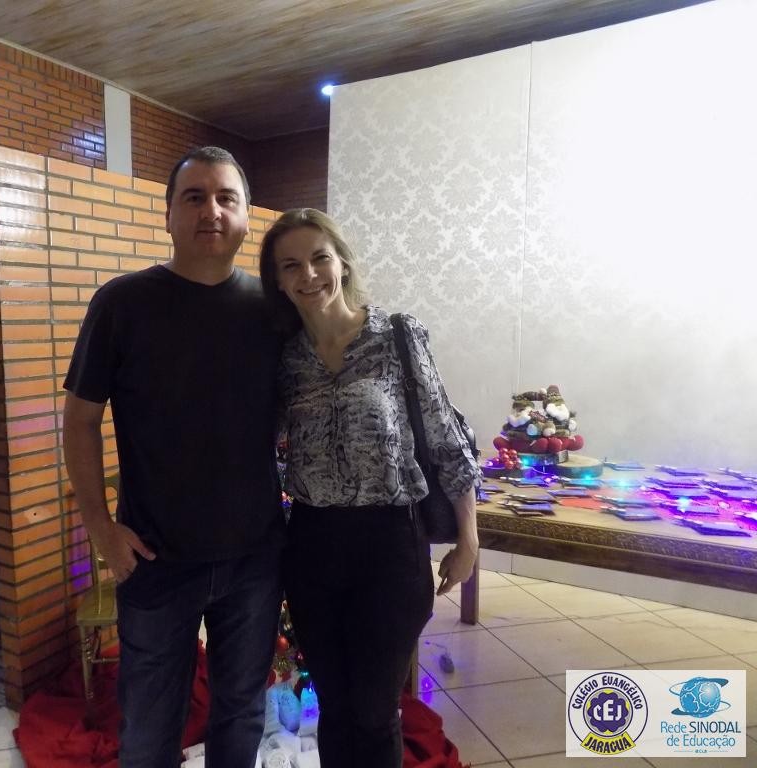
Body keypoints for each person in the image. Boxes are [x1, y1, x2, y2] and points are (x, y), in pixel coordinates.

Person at [62, 146, 285, 768]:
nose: (211, 211)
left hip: (255, 557)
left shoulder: (274, 310)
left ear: (246, 216)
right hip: (155, 558)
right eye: (194, 197)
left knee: (241, 714)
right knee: (150, 728)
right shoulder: (122, 304)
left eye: (226, 198)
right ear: (167, 215)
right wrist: (101, 529)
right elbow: (80, 421)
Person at [258, 208, 480, 768]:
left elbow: (445, 438)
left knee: (376, 709)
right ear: (278, 281)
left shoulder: (396, 337)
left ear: (342, 262)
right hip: (313, 545)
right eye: (291, 265)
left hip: (390, 545)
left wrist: (469, 537)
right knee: (335, 705)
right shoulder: (285, 361)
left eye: (319, 258)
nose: (309, 274)